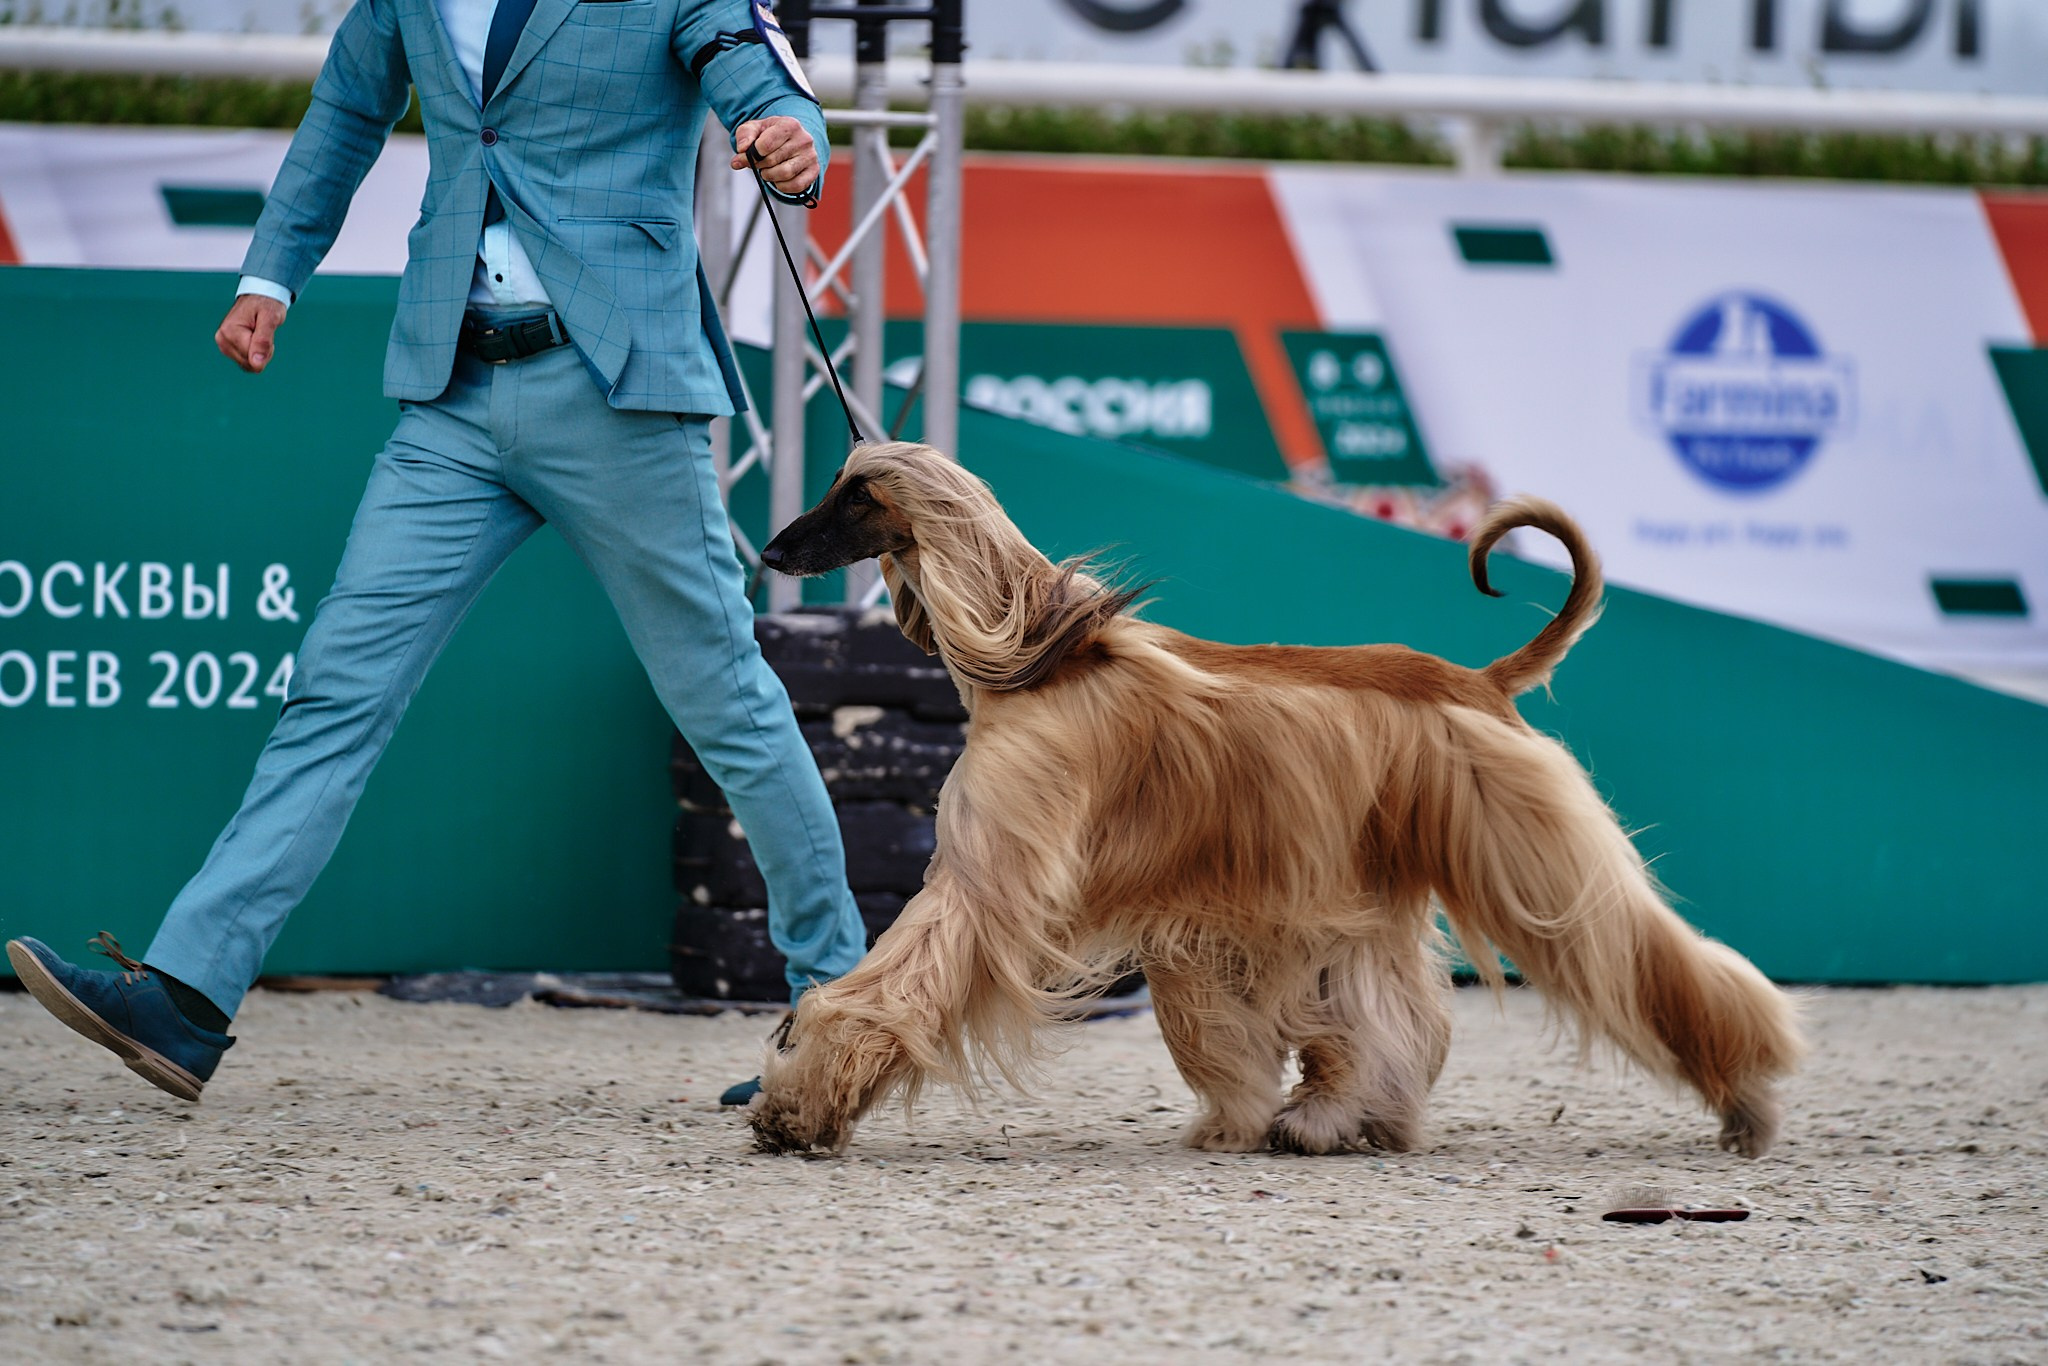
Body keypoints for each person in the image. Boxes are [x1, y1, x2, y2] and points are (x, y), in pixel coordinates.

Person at [5, 0, 865, 1107]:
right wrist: (271, 276)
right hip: (451, 394)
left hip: (620, 392)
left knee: (727, 705)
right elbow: (345, 108)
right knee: (333, 689)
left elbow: (755, 69)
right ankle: (185, 998)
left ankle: (841, 1012)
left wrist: (789, 140)